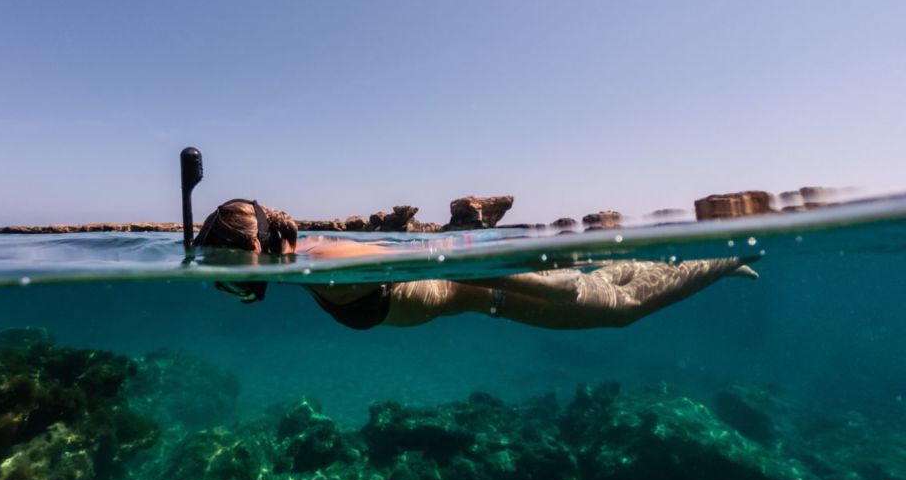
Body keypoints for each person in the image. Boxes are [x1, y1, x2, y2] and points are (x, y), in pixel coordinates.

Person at [193, 199, 758, 330]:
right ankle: (712, 263)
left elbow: (431, 262)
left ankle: (727, 259)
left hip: (485, 288)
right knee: (609, 299)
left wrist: (542, 285)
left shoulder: (332, 263)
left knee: (619, 308)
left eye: (229, 262)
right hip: (483, 302)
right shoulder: (292, 262)